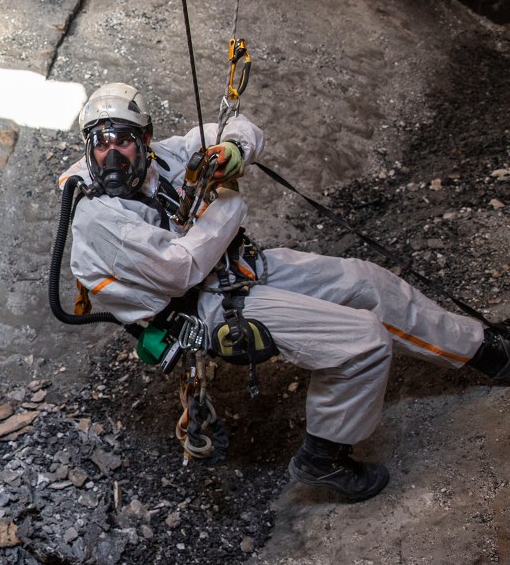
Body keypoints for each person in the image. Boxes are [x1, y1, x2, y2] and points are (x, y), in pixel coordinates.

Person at [58, 82, 510, 501]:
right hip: (204, 307)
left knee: (367, 281)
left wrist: (233, 150)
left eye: (122, 139)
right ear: (88, 147)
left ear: (146, 139)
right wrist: (227, 203)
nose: (111, 155)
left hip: (236, 267)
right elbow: (180, 270)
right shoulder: (100, 217)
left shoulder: (165, 161)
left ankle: (484, 351)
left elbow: (235, 126)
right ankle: (323, 458)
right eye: (100, 142)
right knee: (364, 342)